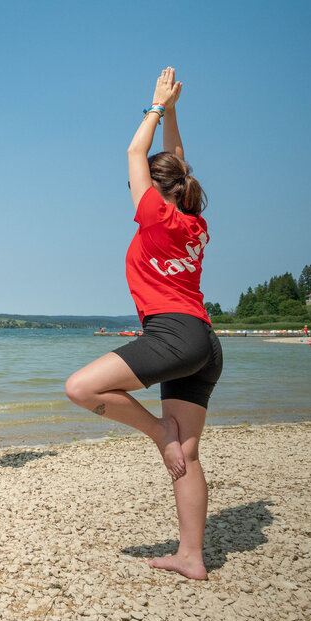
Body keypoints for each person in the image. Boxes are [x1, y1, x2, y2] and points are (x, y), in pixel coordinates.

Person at [65, 68, 222, 580]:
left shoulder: (155, 214)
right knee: (190, 453)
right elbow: (175, 164)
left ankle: (158, 434)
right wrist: (175, 113)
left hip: (172, 333)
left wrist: (154, 106)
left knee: (81, 388)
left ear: (155, 191)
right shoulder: (194, 222)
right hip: (204, 340)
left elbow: (135, 155)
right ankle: (191, 558)